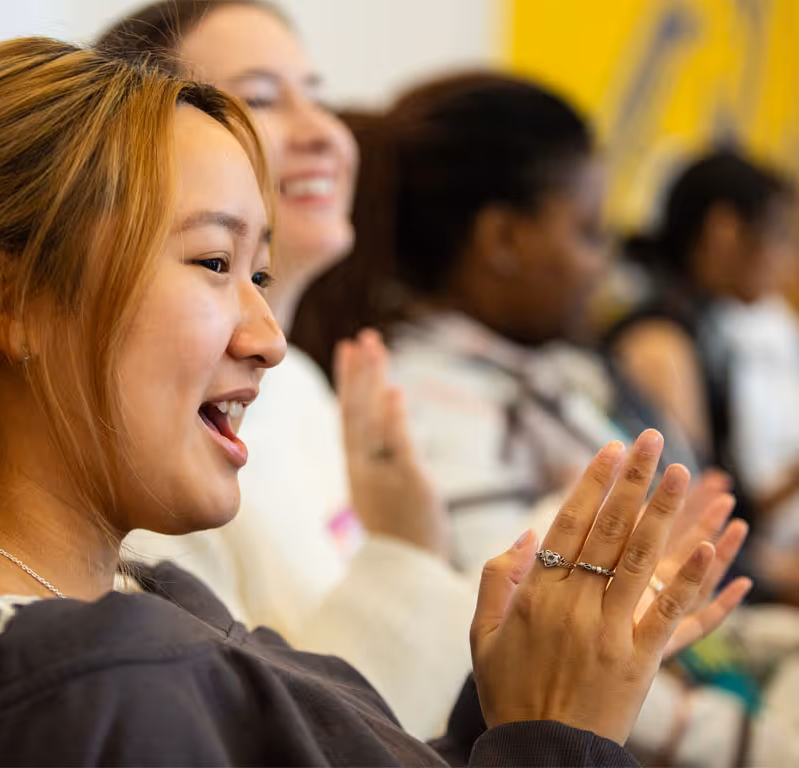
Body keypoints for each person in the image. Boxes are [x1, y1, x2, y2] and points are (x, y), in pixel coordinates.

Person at [0, 35, 724, 767]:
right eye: (213, 262)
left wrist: (523, 700)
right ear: (7, 298)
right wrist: (558, 736)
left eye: (260, 273)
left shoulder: (136, 613)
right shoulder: (67, 682)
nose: (267, 336)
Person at [291, 73, 756, 766]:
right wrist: (740, 738)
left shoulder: (547, 368)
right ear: (503, 237)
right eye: (589, 231)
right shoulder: (427, 401)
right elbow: (525, 633)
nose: (606, 264)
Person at [98, 0, 471, 738]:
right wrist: (404, 552)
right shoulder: (145, 427)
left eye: (319, 95)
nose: (326, 133)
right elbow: (249, 734)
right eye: (264, 98)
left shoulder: (299, 381)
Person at [606, 152, 799, 562]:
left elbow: (721, 508)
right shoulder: (661, 345)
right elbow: (684, 524)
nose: (789, 260)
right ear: (724, 230)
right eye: (782, 236)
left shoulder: (704, 330)